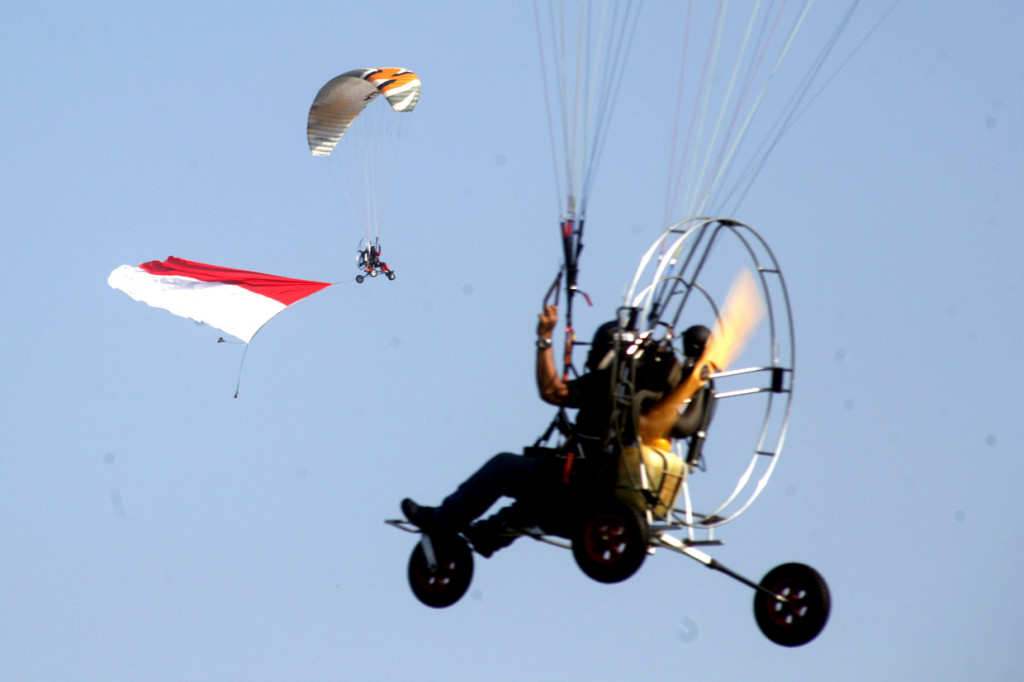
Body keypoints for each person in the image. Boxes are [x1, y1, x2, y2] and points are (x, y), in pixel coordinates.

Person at [401, 305, 710, 555]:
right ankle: (486, 537)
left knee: (503, 468)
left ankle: (441, 523)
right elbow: (685, 425)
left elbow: (552, 391)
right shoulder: (662, 395)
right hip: (622, 502)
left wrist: (544, 339)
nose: (589, 359)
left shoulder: (612, 384)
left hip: (579, 489)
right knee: (532, 501)